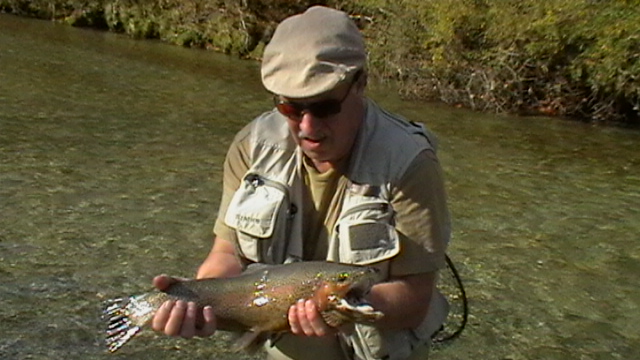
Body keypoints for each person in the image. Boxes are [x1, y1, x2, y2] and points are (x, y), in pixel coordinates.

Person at [150, 5, 451, 360]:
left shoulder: (409, 163)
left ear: (361, 83)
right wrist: (196, 302)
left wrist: (339, 306)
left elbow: (415, 299)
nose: (307, 128)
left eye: (324, 107)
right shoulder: (252, 147)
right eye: (291, 108)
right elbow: (227, 253)